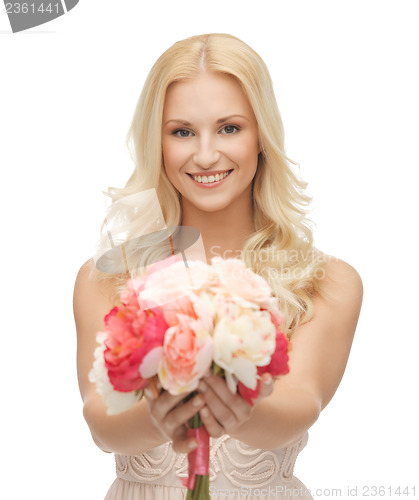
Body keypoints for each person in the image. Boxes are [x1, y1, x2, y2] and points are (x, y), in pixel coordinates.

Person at [73, 33, 363, 499]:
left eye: (229, 128)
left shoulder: (327, 282)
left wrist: (229, 402)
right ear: (158, 141)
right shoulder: (106, 277)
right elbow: (100, 424)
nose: (206, 155)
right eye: (182, 131)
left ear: (262, 134)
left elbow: (301, 405)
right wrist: (156, 415)